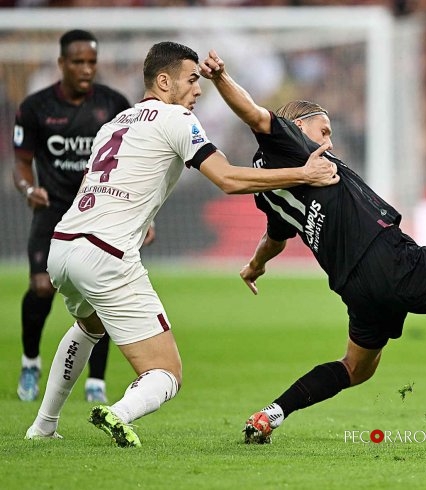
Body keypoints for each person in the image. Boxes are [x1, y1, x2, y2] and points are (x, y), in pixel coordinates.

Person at [199, 50, 426, 449]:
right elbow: (256, 115)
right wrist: (221, 77)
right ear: (295, 127)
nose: (329, 140)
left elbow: (276, 237)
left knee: (356, 368)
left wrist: (255, 266)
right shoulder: (294, 149)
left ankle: (271, 413)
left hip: (356, 288)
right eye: (323, 130)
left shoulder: (273, 185)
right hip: (392, 261)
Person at [24, 41, 339, 447]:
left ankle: (43, 427)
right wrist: (301, 174)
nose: (198, 89)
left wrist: (143, 220)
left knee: (88, 325)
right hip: (106, 253)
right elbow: (226, 179)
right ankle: (118, 413)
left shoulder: (114, 123)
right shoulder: (177, 119)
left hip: (65, 246)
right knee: (166, 373)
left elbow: (108, 183)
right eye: (192, 79)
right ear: (163, 80)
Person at [12, 29, 131, 404]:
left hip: (100, 212)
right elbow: (21, 164)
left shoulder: (114, 104)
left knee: (103, 291)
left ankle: (96, 382)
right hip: (52, 211)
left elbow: (131, 162)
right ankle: (31, 362)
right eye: (78, 62)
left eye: (92, 62)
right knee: (41, 287)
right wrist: (29, 190)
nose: (86, 69)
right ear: (61, 63)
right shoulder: (35, 108)